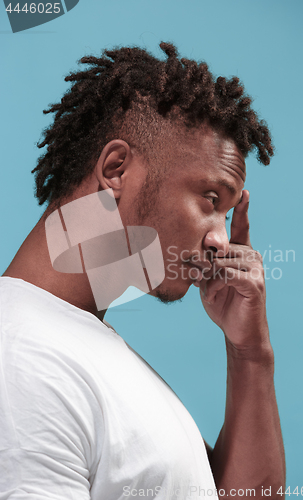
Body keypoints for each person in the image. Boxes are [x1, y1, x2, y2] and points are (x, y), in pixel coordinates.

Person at [0, 42, 285, 499]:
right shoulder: (23, 358)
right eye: (212, 200)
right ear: (115, 169)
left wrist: (249, 353)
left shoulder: (78, 344)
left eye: (228, 216)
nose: (221, 240)